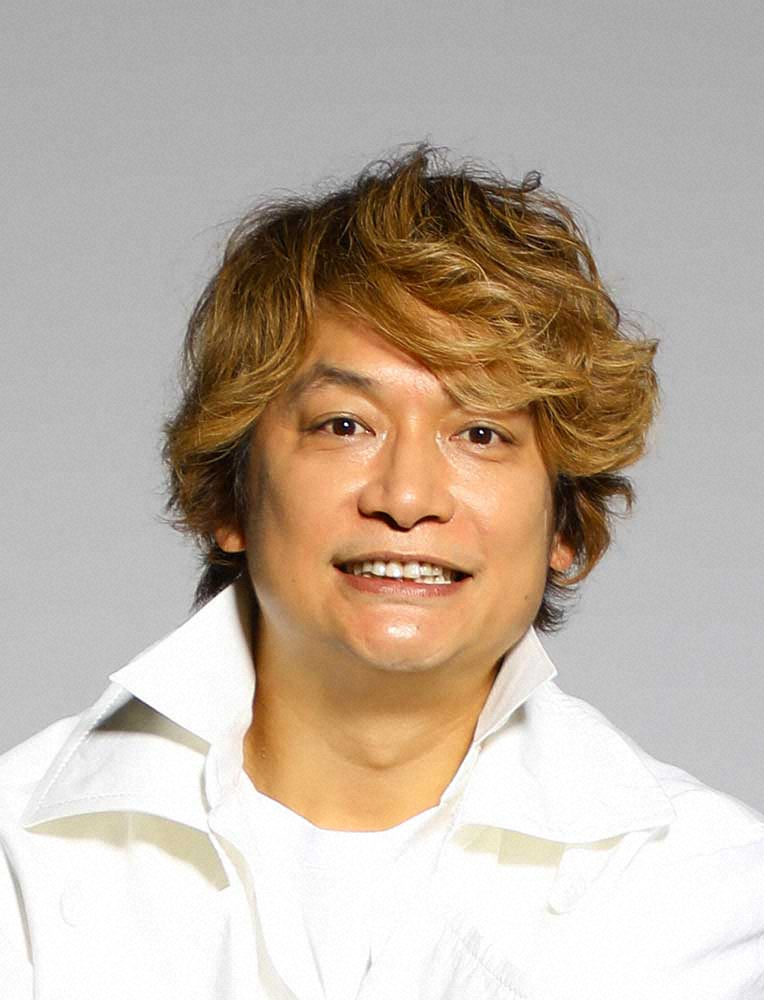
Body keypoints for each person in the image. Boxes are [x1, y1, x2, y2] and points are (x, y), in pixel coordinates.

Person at [1, 145, 762, 1000]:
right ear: (228, 492)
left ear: (563, 520)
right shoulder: (19, 855)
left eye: (482, 433)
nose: (407, 497)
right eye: (344, 425)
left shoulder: (705, 892)